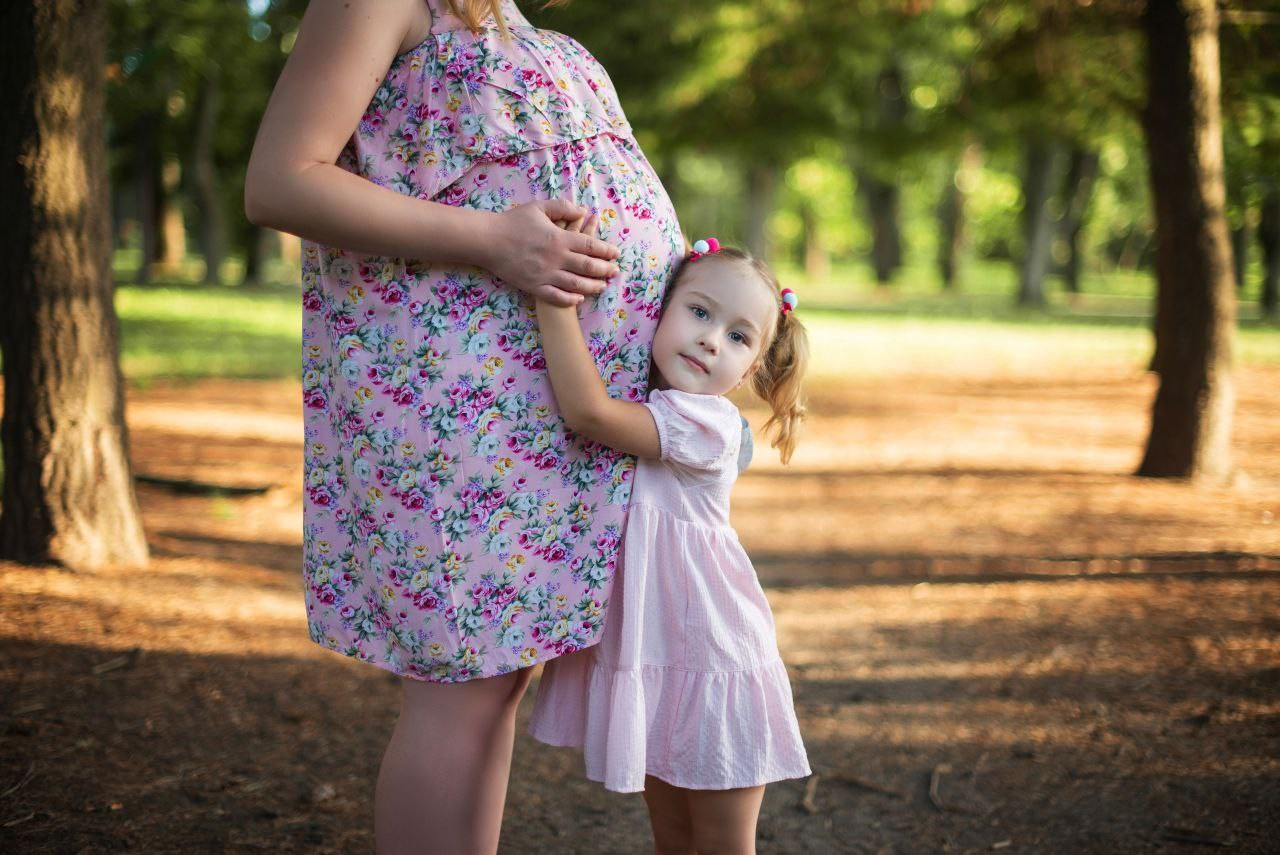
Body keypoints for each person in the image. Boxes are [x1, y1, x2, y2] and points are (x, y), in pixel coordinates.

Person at [243, 1, 683, 851]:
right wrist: (491, 239)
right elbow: (279, 178)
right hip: (460, 408)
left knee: (496, 679)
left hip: (545, 415)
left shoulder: (505, 17)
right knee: (460, 687)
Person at [528, 231, 812, 854]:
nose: (712, 338)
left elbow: (589, 415)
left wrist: (555, 302)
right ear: (661, 308)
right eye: (700, 311)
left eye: (739, 337)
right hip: (665, 660)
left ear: (753, 369)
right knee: (674, 840)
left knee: (719, 844)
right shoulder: (656, 403)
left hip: (714, 658)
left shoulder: (705, 424)